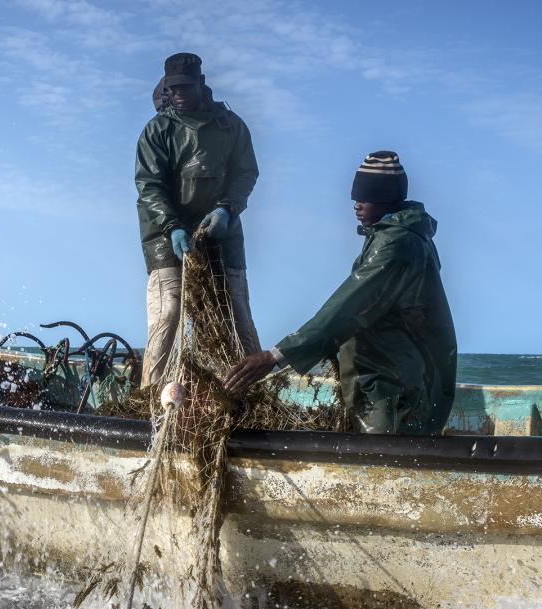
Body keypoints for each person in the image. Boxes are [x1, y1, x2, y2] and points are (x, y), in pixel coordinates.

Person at [224, 152, 457, 435]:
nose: (356, 205)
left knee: (383, 460)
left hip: (392, 385)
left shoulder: (396, 246)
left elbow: (347, 308)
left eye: (365, 196)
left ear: (387, 198)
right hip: (390, 375)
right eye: (355, 196)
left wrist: (275, 356)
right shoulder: (395, 234)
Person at [135, 52, 261, 387]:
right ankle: (149, 399)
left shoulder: (230, 126)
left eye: (185, 87)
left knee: (237, 316)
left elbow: (246, 173)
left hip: (221, 229)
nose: (177, 94)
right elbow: (149, 186)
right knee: (169, 312)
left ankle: (253, 392)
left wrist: (227, 209)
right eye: (171, 88)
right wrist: (172, 226)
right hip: (165, 232)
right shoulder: (157, 130)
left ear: (201, 84)